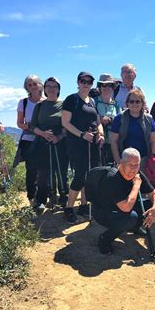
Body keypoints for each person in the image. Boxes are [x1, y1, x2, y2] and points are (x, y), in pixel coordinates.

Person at [91, 148, 155, 254]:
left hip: (124, 207)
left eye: (137, 165)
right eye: (130, 165)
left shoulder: (137, 173)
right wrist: (136, 186)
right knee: (130, 218)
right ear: (122, 163)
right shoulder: (112, 178)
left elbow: (153, 193)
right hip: (104, 211)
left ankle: (134, 227)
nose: (134, 169)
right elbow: (126, 207)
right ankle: (105, 239)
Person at [62, 71, 105, 224]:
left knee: (90, 175)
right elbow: (65, 123)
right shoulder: (71, 100)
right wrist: (81, 135)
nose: (86, 84)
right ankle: (69, 208)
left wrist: (101, 135)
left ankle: (83, 205)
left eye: (89, 82)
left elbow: (98, 121)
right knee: (80, 175)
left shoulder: (92, 101)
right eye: (83, 81)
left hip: (92, 142)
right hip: (77, 143)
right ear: (78, 82)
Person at [30, 77, 69, 211]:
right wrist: (43, 133)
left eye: (55, 86)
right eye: (49, 86)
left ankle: (64, 198)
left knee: (61, 171)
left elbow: (68, 125)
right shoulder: (39, 106)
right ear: (44, 89)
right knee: (43, 173)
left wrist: (59, 137)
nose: (52, 89)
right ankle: (42, 199)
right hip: (42, 142)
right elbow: (32, 125)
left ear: (58, 89)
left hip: (61, 142)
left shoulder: (65, 104)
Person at [110, 89, 155, 165]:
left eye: (138, 101)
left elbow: (153, 142)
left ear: (142, 103)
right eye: (131, 101)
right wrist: (118, 161)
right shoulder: (119, 118)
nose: (134, 104)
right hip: (125, 161)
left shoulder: (149, 119)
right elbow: (114, 142)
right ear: (127, 103)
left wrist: (153, 162)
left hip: (144, 161)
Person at [16, 74, 43, 204]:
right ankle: (32, 197)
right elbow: (19, 123)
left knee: (44, 170)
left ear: (40, 85)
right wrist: (31, 127)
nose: (32, 86)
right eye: (29, 84)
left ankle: (43, 197)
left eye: (34, 83)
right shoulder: (24, 102)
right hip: (29, 139)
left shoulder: (46, 102)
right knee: (31, 170)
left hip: (44, 139)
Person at [94, 73, 122, 166]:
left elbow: (121, 121)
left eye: (110, 85)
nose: (107, 88)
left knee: (110, 168)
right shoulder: (93, 101)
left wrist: (111, 120)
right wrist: (100, 119)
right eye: (103, 85)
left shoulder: (117, 105)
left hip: (113, 142)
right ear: (100, 87)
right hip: (97, 141)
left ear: (113, 87)